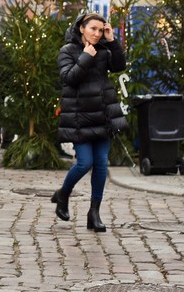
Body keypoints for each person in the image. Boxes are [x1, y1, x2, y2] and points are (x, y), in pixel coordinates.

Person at [52, 13, 127, 233]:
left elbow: (119, 66)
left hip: (102, 115)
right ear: (81, 28)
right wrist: (85, 56)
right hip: (79, 117)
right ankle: (63, 193)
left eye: (99, 29)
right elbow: (69, 79)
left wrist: (112, 41)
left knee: (101, 164)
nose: (96, 33)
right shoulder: (67, 51)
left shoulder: (104, 50)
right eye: (92, 29)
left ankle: (94, 213)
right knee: (85, 163)